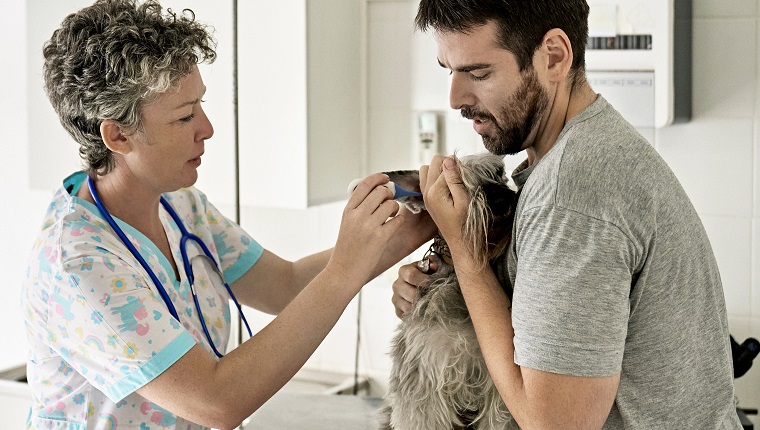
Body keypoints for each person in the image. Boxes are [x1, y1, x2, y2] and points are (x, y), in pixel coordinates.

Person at [21, 1, 435, 429]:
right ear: (118, 134)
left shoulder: (180, 206)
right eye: (184, 116)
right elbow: (216, 402)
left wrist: (413, 227)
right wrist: (346, 269)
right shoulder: (78, 267)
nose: (208, 128)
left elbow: (284, 286)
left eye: (199, 104)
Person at [392, 1, 741, 428]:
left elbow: (553, 424)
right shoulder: (577, 156)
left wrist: (468, 258)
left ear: (554, 56)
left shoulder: (573, 192)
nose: (455, 99)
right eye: (451, 70)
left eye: (479, 73)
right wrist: (448, 282)